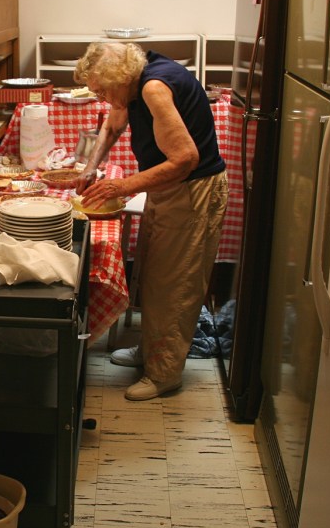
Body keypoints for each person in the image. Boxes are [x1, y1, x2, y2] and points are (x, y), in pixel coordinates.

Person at [74, 42, 228, 401]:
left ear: (120, 78)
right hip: (170, 188)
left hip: (192, 191)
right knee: (155, 273)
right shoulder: (131, 81)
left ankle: (164, 374)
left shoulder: (154, 89)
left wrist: (123, 185)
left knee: (177, 283)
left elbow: (185, 159)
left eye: (102, 90)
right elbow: (112, 127)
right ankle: (151, 352)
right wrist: (90, 168)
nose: (101, 98)